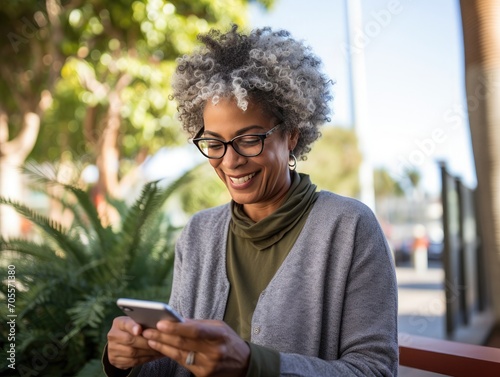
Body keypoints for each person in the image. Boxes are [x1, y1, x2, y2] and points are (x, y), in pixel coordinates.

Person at [103, 25, 398, 376]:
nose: (230, 161)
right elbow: (176, 366)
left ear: (291, 135)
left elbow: (374, 370)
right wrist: (126, 358)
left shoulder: (349, 228)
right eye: (214, 143)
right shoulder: (198, 234)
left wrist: (252, 365)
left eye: (248, 140)